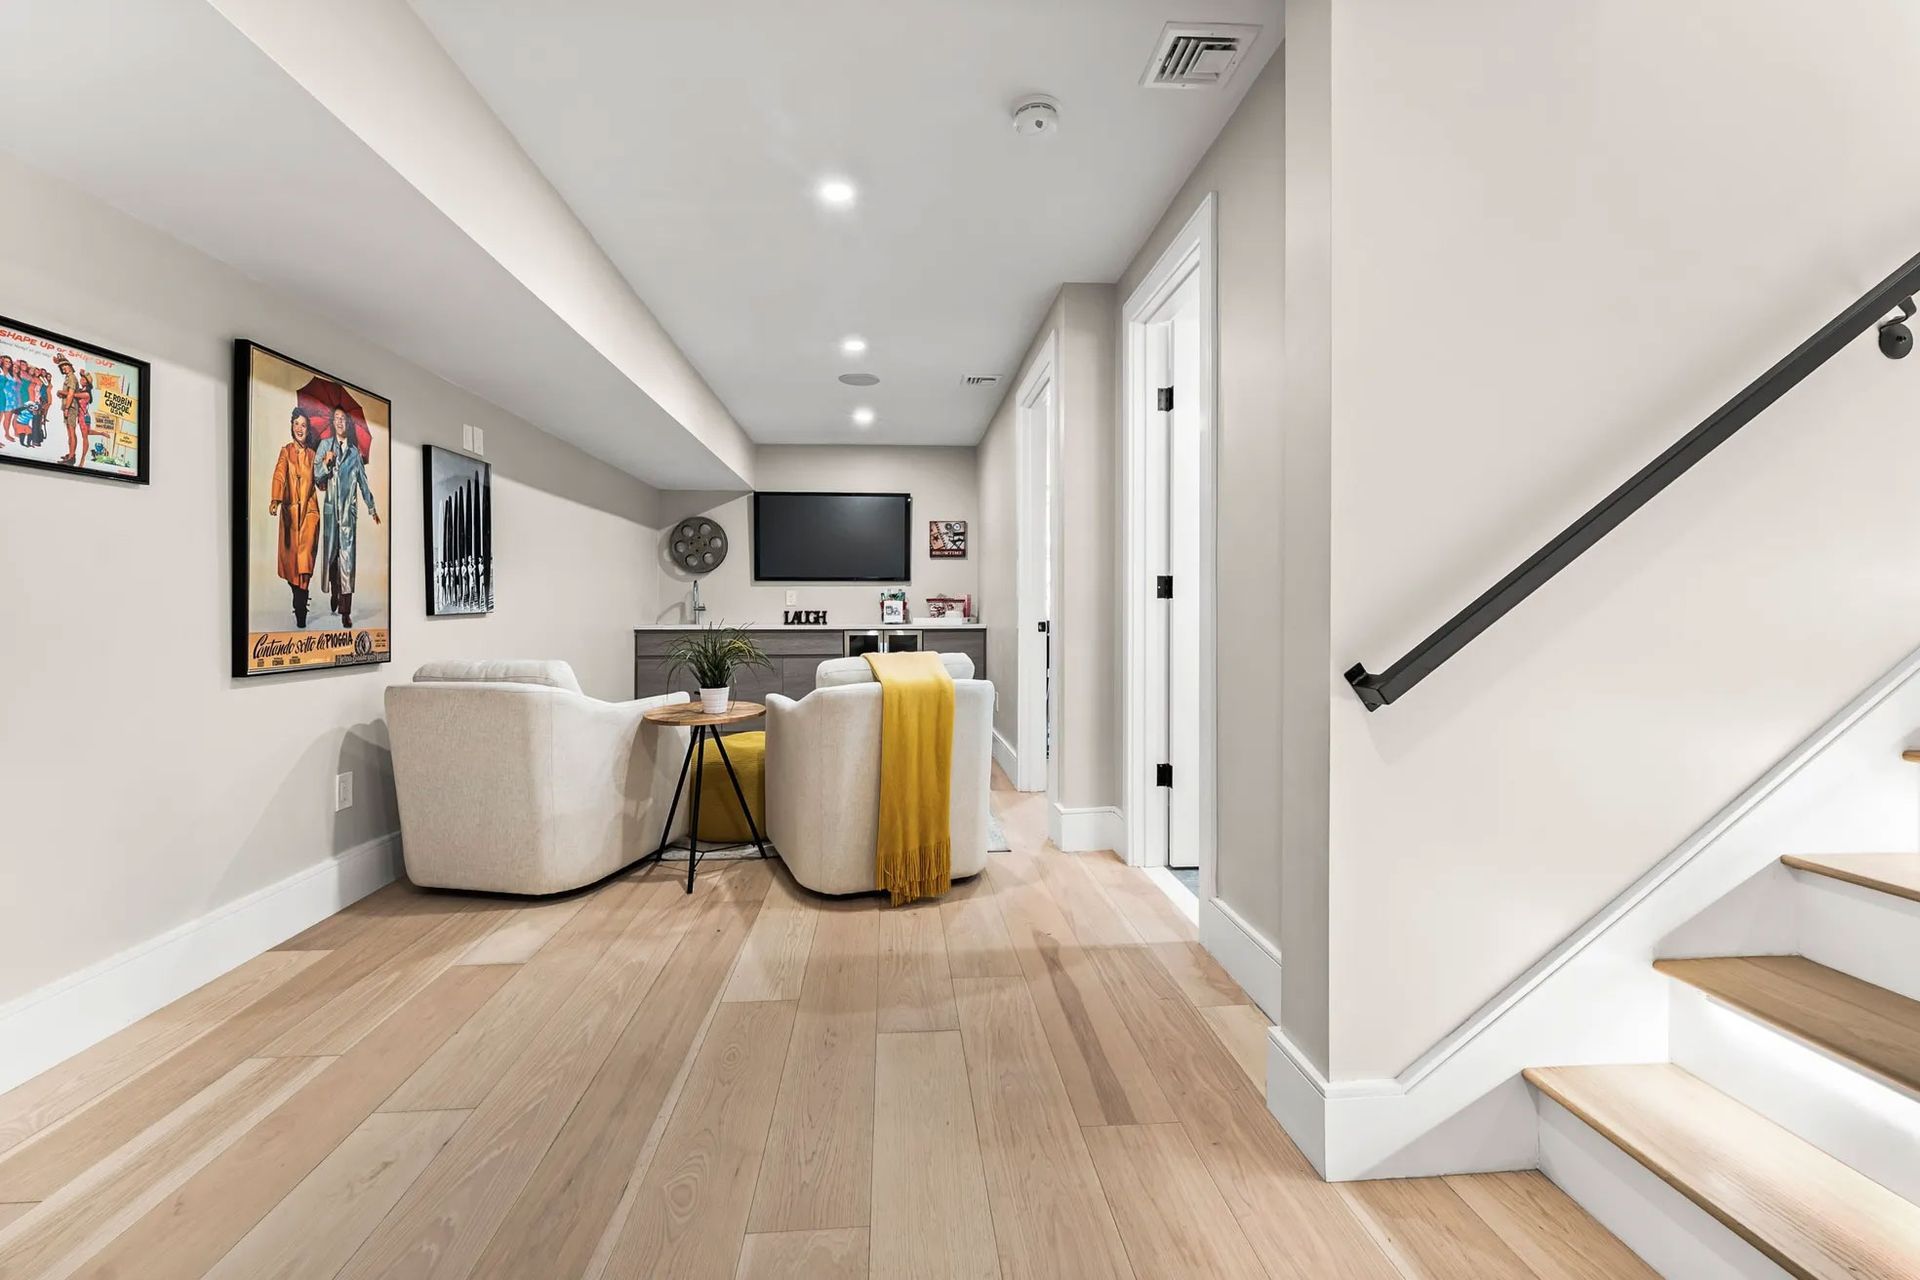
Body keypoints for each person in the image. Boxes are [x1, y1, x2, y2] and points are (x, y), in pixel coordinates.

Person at [313, 406, 380, 628]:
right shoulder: (325, 446)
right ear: (332, 422)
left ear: (347, 423)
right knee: (332, 557)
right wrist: (326, 463)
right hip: (331, 512)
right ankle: (335, 592)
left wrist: (371, 508)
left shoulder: (354, 453)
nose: (340, 422)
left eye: (343, 418)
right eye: (336, 418)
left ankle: (345, 610)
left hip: (348, 516)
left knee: (347, 561)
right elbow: (316, 475)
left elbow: (363, 482)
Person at [268, 408, 322, 627]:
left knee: (305, 561)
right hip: (290, 515)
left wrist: (327, 463)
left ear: (308, 430)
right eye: (296, 424)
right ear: (292, 426)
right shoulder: (286, 452)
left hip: (309, 513)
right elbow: (279, 474)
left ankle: (301, 609)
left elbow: (321, 482)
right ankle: (298, 598)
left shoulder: (313, 455)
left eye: (304, 425)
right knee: (292, 566)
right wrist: (275, 499)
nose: (300, 428)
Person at [54, 356, 91, 466]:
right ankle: (71, 454)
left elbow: (71, 394)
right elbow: (69, 394)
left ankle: (71, 457)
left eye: (65, 365)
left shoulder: (71, 378)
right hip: (69, 406)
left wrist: (66, 408)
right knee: (69, 432)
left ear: (70, 367)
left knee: (71, 433)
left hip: (70, 408)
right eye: (62, 367)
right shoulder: (69, 378)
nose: (63, 368)